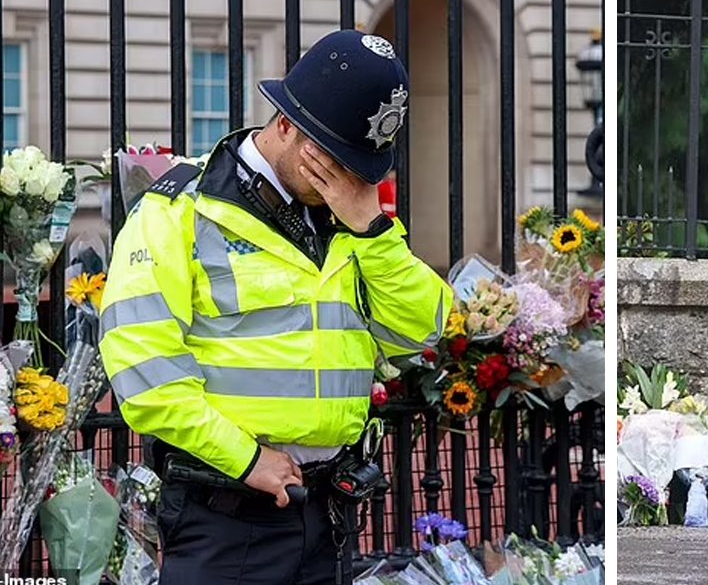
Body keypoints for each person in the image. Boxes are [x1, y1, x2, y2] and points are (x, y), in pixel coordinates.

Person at [98, 29, 452, 585]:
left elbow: (421, 330)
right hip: (225, 514)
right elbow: (144, 370)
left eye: (360, 164)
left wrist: (374, 231)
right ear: (286, 124)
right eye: (334, 157)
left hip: (327, 515)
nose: (347, 176)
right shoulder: (180, 211)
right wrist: (246, 459)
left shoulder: (354, 219)